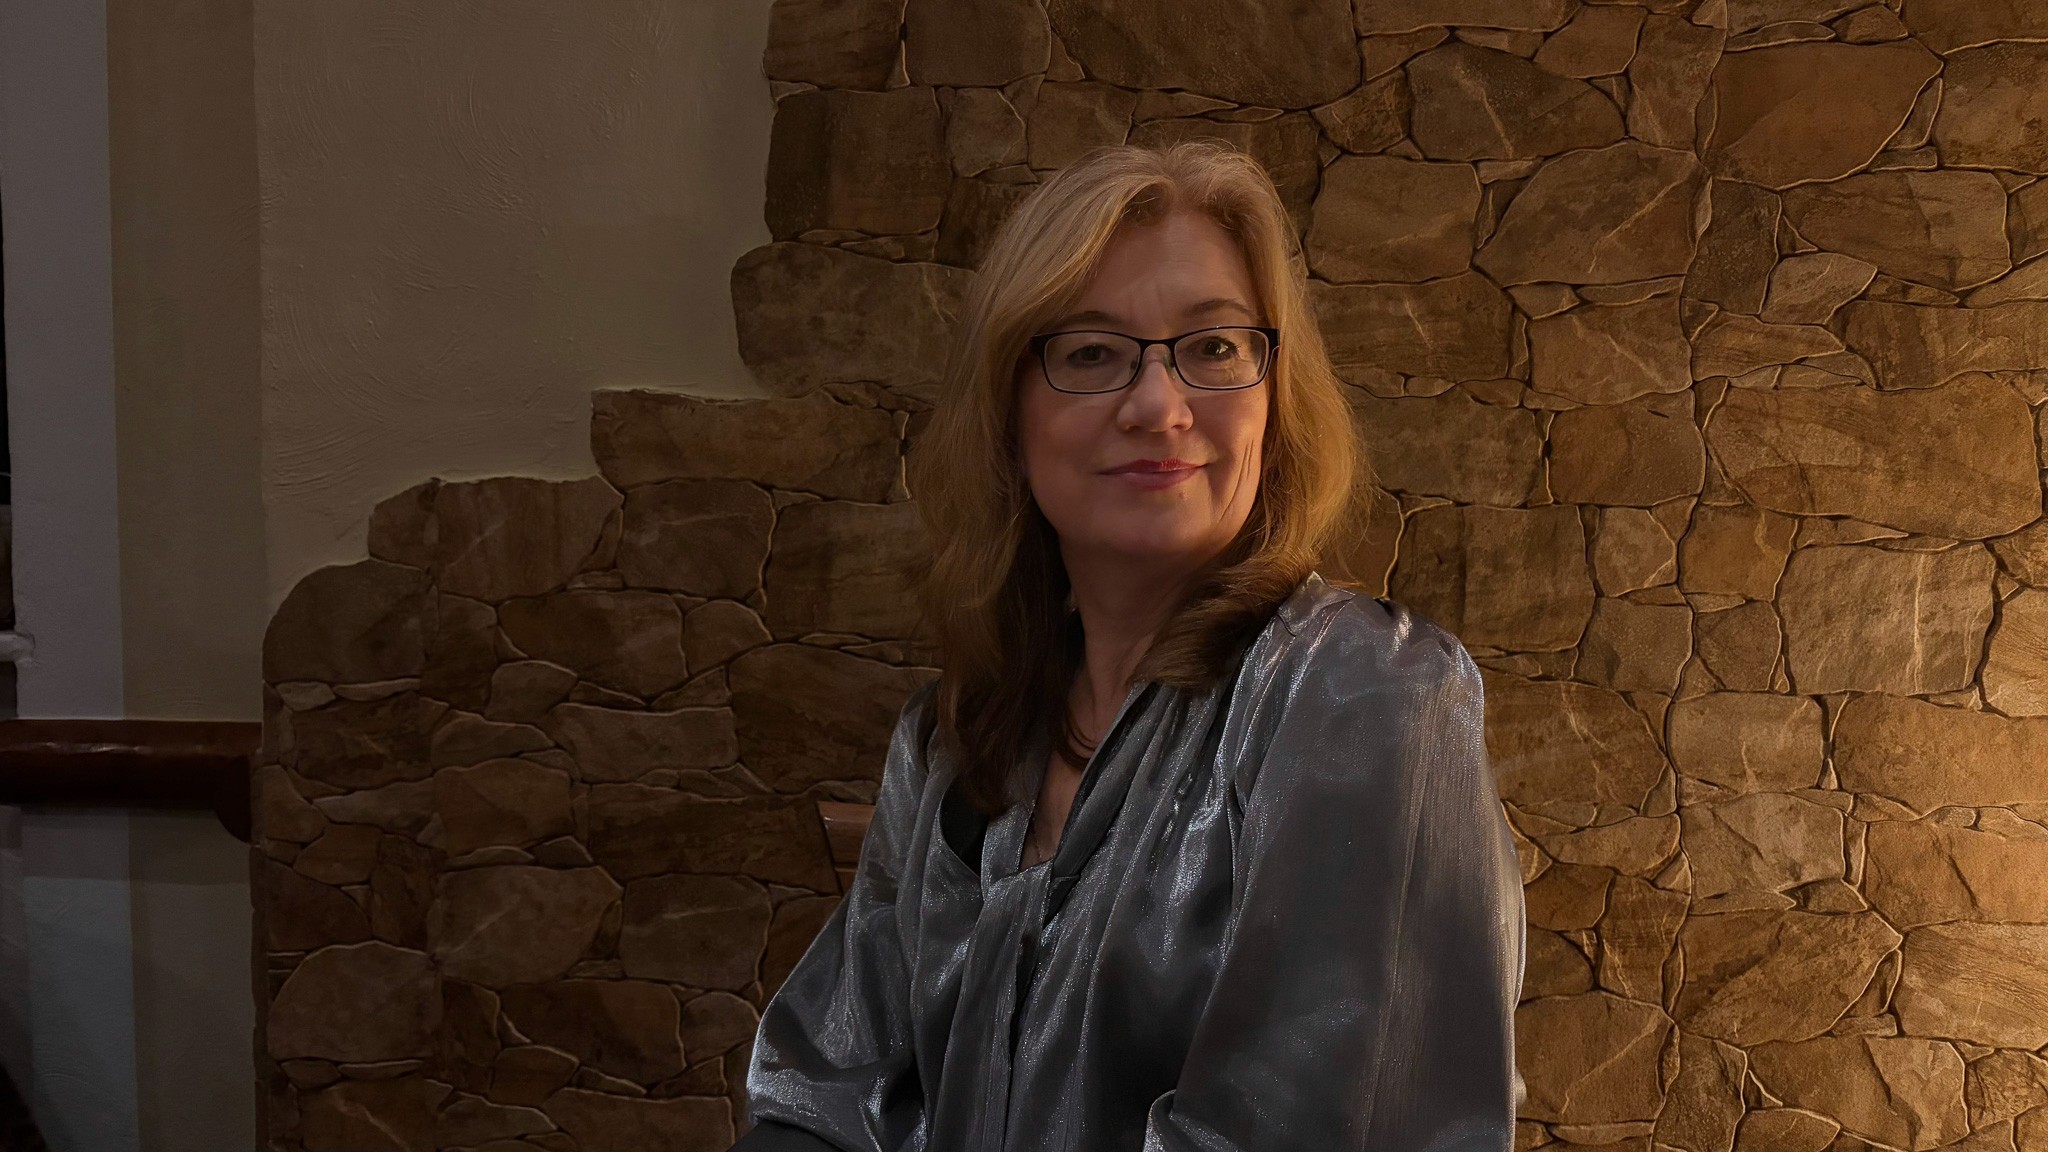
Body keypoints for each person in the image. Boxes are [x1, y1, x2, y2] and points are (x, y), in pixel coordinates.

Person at [735, 141, 1524, 1152]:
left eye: (1215, 348)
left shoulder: (1363, 696)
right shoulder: (954, 741)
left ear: (1275, 402)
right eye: (1091, 352)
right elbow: (820, 1096)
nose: (1158, 406)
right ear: (1008, 411)